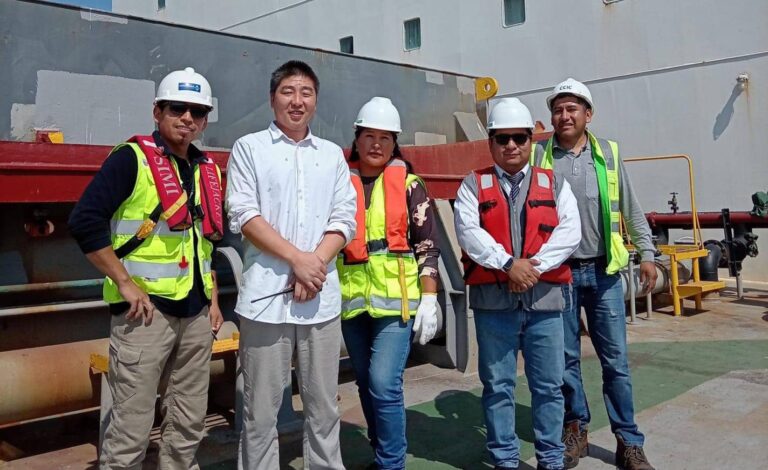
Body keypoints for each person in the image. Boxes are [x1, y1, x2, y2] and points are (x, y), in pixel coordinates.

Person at [68, 66, 224, 469]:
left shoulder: (206, 169)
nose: (187, 118)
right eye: (177, 108)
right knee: (130, 429)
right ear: (157, 112)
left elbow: (203, 242)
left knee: (188, 423)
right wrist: (124, 283)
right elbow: (85, 221)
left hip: (195, 314)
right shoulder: (131, 160)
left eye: (197, 111)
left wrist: (213, 298)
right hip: (145, 315)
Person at [226, 60, 356, 469]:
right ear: (272, 98)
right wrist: (298, 260)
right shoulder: (249, 148)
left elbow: (344, 219)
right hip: (266, 297)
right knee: (260, 410)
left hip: (319, 298)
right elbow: (244, 216)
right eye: (288, 92)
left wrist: (314, 264)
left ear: (315, 101)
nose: (297, 102)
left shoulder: (332, 155)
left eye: (306, 93)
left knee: (323, 405)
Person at [532, 78, 657, 470]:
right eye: (558, 109)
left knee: (615, 361)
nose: (564, 115)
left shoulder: (608, 154)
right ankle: (576, 429)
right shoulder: (539, 156)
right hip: (559, 275)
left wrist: (648, 253)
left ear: (588, 114)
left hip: (603, 272)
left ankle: (628, 441)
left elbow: (630, 207)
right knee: (565, 360)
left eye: (572, 109)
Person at [454, 97, 581, 470]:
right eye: (503, 138)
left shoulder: (555, 184)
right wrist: (508, 265)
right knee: (498, 387)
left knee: (549, 387)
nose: (512, 145)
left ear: (531, 141)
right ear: (491, 142)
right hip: (494, 305)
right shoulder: (473, 185)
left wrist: (531, 269)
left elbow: (569, 232)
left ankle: (551, 459)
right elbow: (468, 232)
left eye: (520, 138)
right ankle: (505, 460)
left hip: (544, 303)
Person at [338, 97, 440, 470]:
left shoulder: (411, 185)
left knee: (384, 383)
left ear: (395, 143)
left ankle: (391, 463)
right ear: (357, 138)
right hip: (352, 302)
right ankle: (380, 447)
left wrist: (429, 298)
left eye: (386, 137)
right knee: (365, 384)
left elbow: (428, 245)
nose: (377, 144)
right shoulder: (339, 182)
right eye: (370, 136)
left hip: (396, 303)